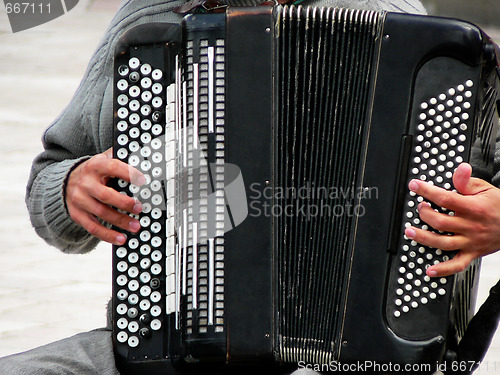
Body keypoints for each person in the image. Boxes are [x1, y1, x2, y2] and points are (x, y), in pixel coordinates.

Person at [8, 0, 497, 373]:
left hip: (369, 354)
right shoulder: (152, 21)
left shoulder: (399, 24)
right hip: (178, 347)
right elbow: (51, 175)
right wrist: (71, 188)